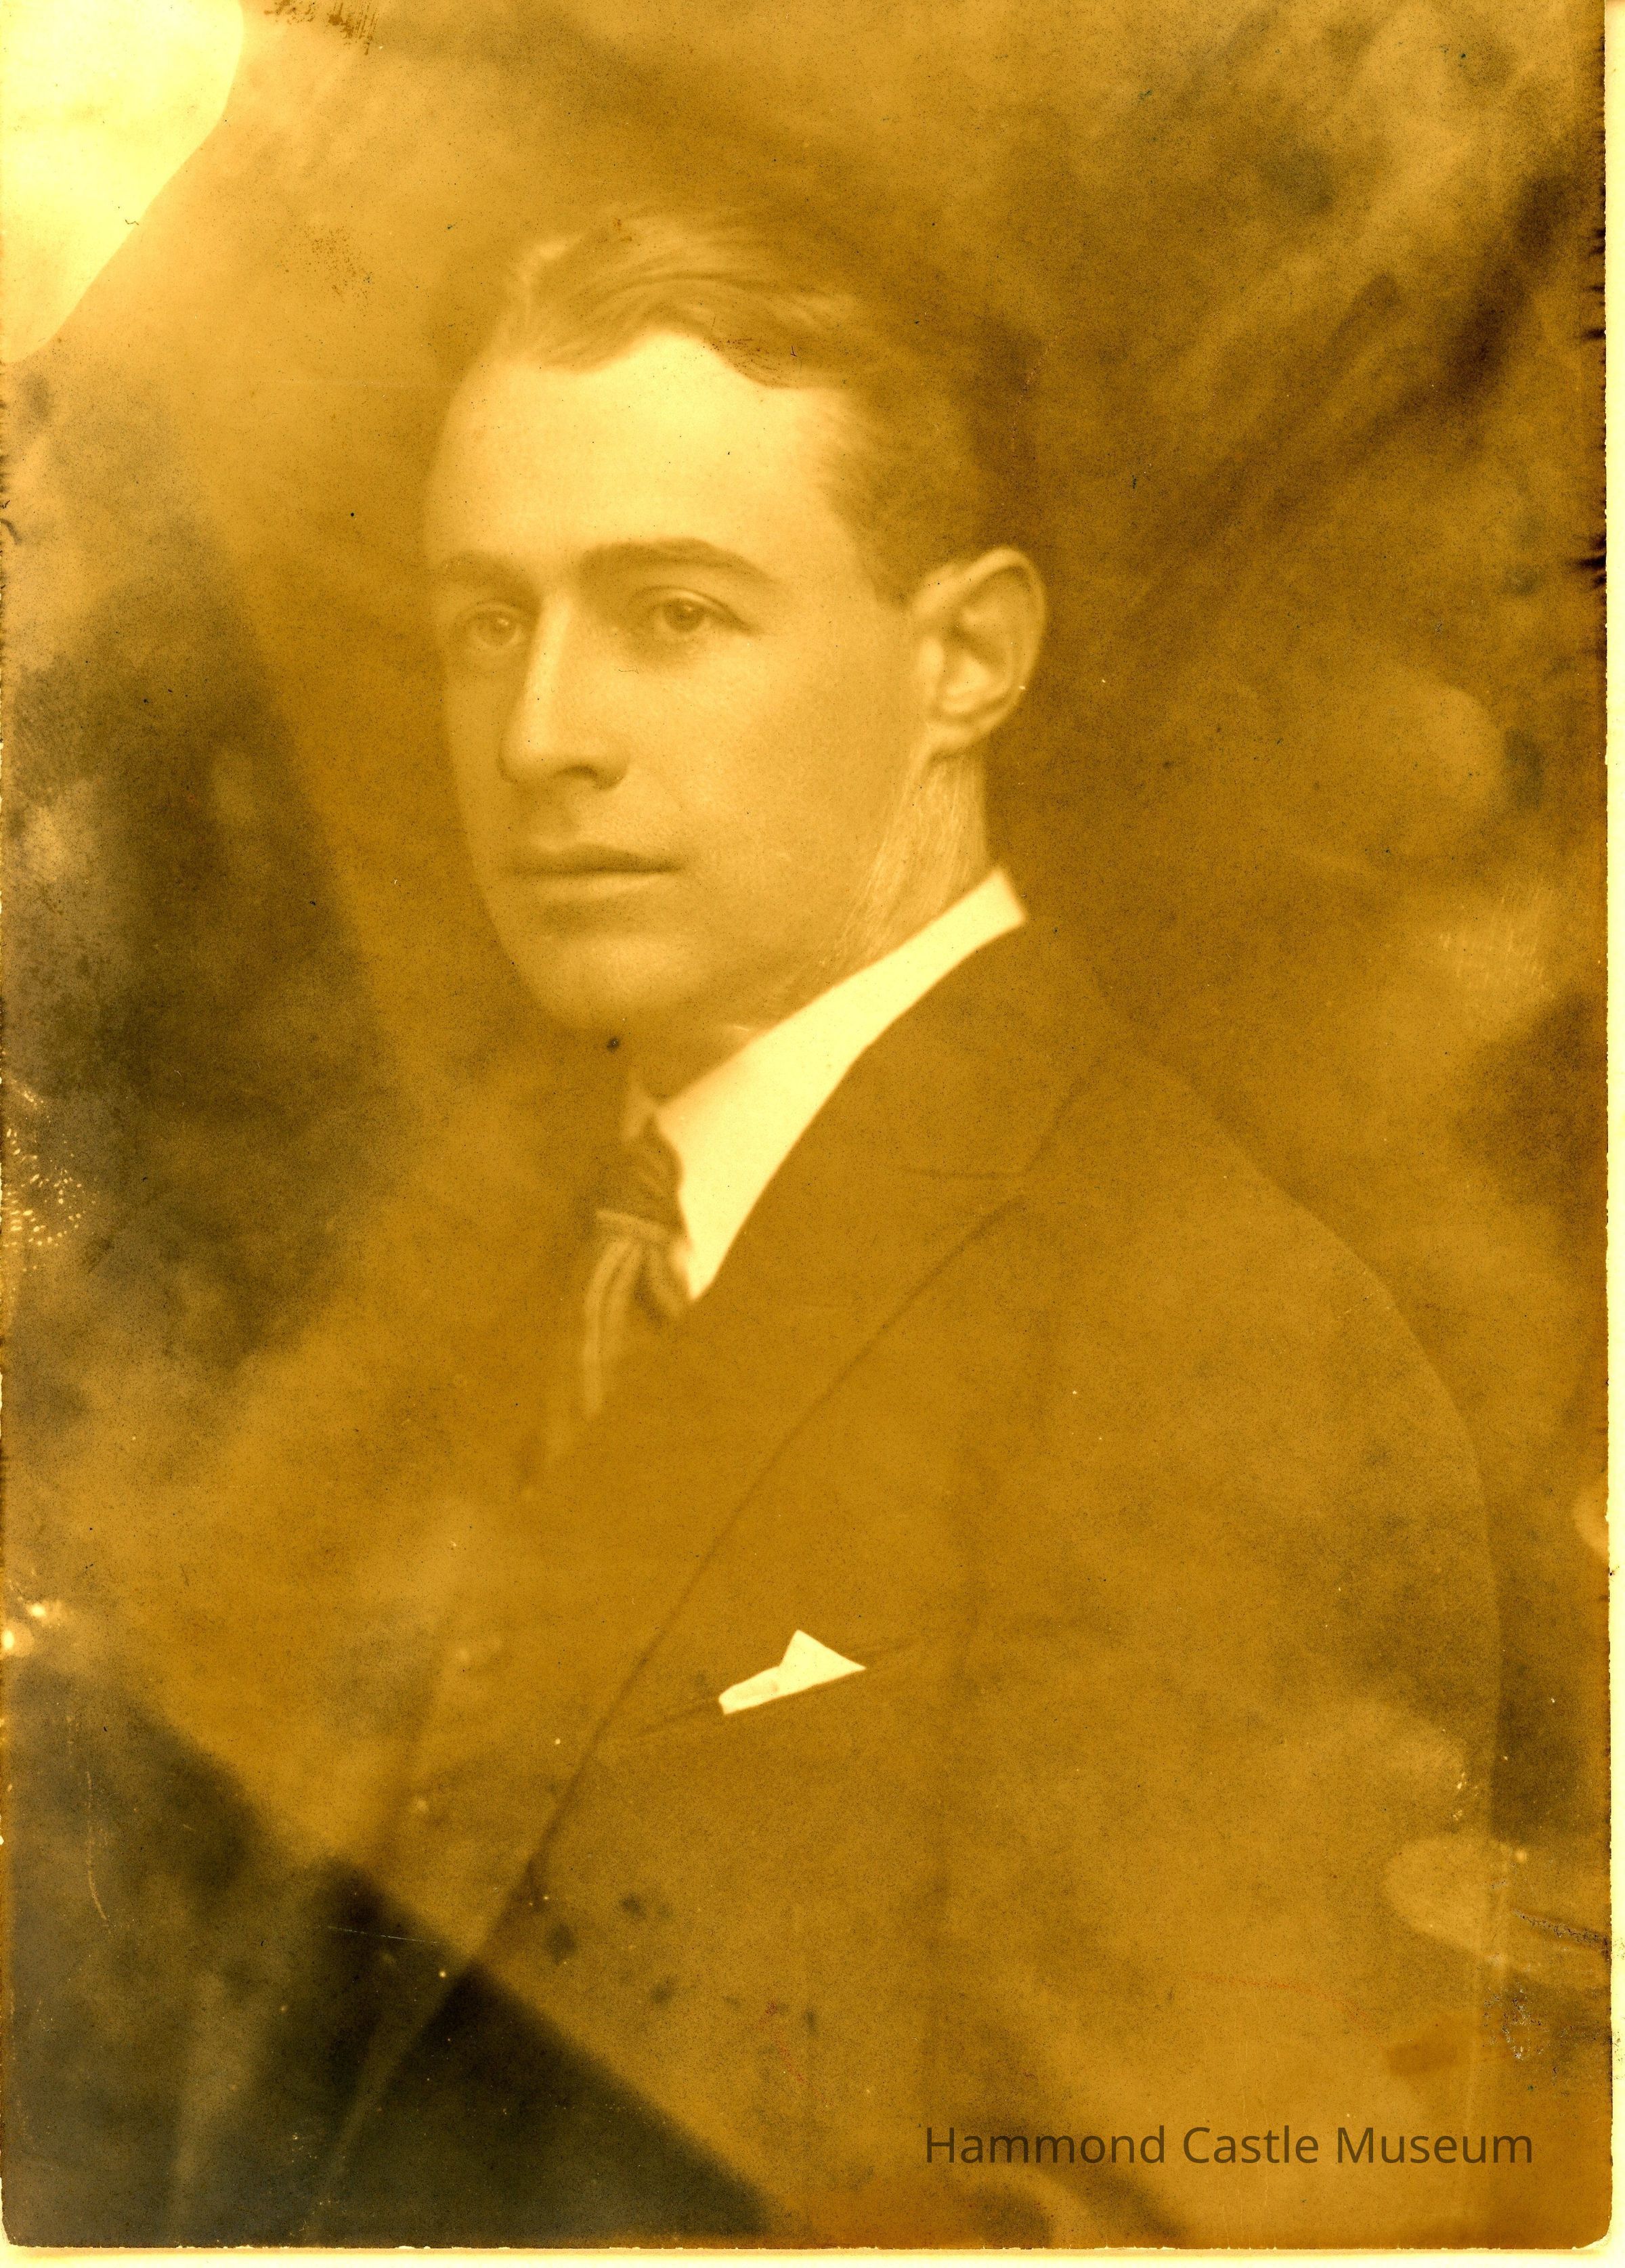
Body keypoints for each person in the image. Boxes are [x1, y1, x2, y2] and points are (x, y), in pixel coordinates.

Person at [9, 203, 1501, 2249]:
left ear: (966, 659)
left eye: (673, 614)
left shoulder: (1216, 1339)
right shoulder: (479, 1246)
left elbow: (1186, 2225)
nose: (542, 734)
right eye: (487, 624)